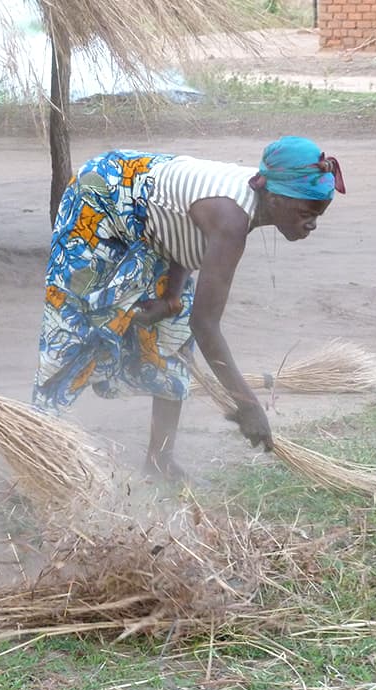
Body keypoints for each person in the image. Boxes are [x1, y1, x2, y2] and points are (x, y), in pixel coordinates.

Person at [33, 136, 345, 481]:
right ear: (274, 197)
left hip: (149, 219)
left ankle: (159, 459)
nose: (312, 224)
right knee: (75, 322)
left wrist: (171, 297)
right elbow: (207, 324)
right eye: (306, 213)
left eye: (319, 214)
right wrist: (247, 404)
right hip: (101, 196)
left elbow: (183, 230)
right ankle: (40, 448)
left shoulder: (253, 202)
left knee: (173, 331)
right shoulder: (231, 220)